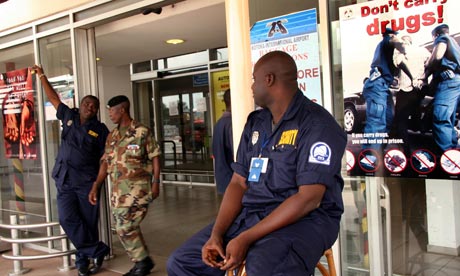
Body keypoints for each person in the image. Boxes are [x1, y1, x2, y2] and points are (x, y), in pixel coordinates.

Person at [167, 51, 347, 275]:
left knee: (263, 265)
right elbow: (238, 183)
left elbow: (308, 199)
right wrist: (217, 234)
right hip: (253, 215)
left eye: (254, 79)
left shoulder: (317, 124)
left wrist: (246, 238)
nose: (252, 86)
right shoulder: (256, 123)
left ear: (269, 79)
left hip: (307, 221)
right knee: (182, 261)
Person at [32, 65, 110, 276]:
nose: (89, 107)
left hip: (87, 183)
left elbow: (105, 159)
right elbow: (53, 97)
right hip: (64, 179)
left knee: (88, 222)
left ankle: (83, 260)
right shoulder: (69, 115)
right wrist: (41, 76)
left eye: (94, 106)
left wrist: (97, 185)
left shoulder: (101, 130)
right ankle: (97, 249)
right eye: (86, 103)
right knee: (66, 219)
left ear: (97, 110)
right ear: (81, 104)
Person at [88, 95, 161, 276]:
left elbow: (155, 157)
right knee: (127, 227)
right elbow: (105, 163)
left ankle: (142, 262)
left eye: (112, 111)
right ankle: (142, 261)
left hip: (138, 190)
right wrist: (96, 185)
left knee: (124, 227)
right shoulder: (112, 136)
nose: (110, 114)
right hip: (118, 193)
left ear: (122, 110)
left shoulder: (142, 131)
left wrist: (156, 182)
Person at [418, 24, 460, 152]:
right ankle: (454, 150)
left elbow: (437, 56)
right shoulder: (455, 45)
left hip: (448, 82)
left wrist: (427, 64)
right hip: (456, 82)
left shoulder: (442, 39)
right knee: (449, 119)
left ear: (436, 35)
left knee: (440, 118)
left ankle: (447, 156)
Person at [362, 28, 406, 150]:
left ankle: (377, 151)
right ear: (391, 35)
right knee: (376, 123)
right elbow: (399, 44)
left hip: (382, 85)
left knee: (388, 118)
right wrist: (403, 49)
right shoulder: (387, 41)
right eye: (395, 35)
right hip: (377, 85)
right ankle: (370, 158)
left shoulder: (384, 50)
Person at [391, 35, 431, 154]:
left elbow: (400, 62)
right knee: (415, 112)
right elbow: (430, 64)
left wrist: (412, 77)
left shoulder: (399, 50)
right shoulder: (423, 50)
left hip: (406, 89)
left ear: (404, 42)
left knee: (400, 121)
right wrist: (424, 78)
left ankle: (407, 151)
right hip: (420, 89)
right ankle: (420, 125)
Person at [212, 89, 234, 195]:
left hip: (223, 179)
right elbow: (238, 154)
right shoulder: (231, 125)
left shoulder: (219, 124)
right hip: (232, 180)